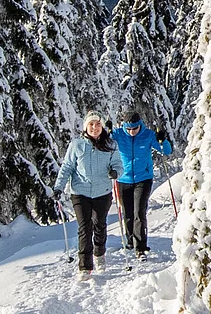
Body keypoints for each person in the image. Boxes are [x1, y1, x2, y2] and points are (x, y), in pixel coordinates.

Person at [56, 112, 121, 276]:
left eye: (98, 124)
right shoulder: (77, 145)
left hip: (102, 192)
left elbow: (118, 164)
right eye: (91, 124)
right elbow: (67, 168)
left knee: (99, 225)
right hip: (80, 192)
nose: (95, 127)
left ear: (102, 126)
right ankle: (85, 266)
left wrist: (115, 172)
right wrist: (58, 187)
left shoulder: (110, 145)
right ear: (86, 126)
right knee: (85, 228)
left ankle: (99, 254)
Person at [110, 108, 175, 259]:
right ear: (124, 126)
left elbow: (166, 150)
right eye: (129, 129)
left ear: (140, 125)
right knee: (127, 213)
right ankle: (130, 241)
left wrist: (162, 139)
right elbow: (104, 144)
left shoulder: (147, 135)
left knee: (139, 211)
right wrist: (106, 132)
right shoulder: (118, 135)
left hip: (143, 178)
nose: (132, 132)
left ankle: (140, 247)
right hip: (122, 179)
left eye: (135, 128)